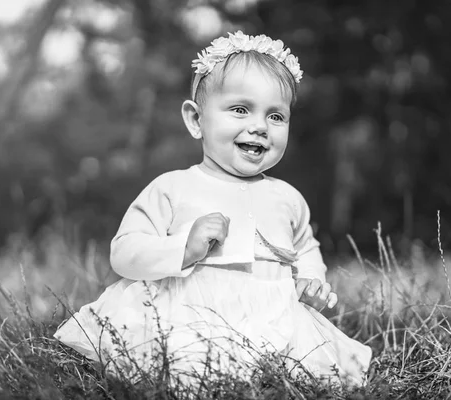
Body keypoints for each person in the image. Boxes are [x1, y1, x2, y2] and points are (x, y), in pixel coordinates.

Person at [54, 31, 372, 386]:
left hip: (273, 317)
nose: (259, 126)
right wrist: (183, 249)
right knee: (189, 374)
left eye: (276, 116)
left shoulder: (287, 197)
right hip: (189, 316)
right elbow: (125, 252)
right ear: (196, 120)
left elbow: (304, 248)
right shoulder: (173, 187)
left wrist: (312, 280)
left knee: (313, 375)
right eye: (240, 109)